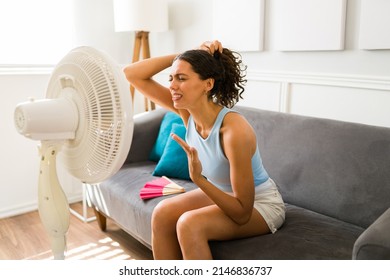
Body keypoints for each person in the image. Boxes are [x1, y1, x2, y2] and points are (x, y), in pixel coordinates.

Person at [123, 40, 285, 260]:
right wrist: (188, 56)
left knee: (189, 224)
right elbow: (132, 74)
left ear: (207, 84)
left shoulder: (233, 131)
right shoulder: (187, 113)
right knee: (162, 213)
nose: (172, 85)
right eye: (171, 78)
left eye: (181, 78)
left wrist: (198, 179)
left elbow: (241, 212)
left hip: (260, 204)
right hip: (223, 193)